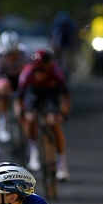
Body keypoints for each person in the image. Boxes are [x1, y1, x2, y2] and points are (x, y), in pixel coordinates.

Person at [17, 49, 71, 180]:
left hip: (50, 92)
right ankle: (33, 150)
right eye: (36, 70)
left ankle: (61, 162)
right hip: (34, 92)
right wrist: (20, 114)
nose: (39, 73)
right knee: (30, 118)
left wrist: (63, 113)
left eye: (42, 70)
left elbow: (65, 96)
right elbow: (19, 98)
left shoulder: (56, 72)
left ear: (49, 65)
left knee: (53, 121)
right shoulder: (27, 73)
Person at [0, 30, 30, 153]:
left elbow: (29, 77)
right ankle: (3, 120)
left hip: (21, 78)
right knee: (2, 88)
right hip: (4, 78)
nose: (10, 57)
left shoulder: (25, 52)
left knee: (26, 107)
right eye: (7, 54)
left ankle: (28, 142)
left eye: (13, 54)